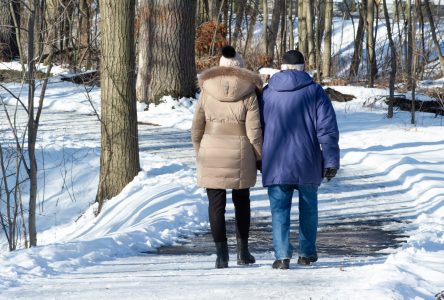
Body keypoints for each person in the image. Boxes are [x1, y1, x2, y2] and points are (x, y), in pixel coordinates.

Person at [259, 50, 340, 269]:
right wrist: (331, 160)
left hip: (276, 161)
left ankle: (282, 255)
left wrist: (259, 158)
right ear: (304, 67)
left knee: (279, 209)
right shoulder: (315, 92)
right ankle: (306, 253)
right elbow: (327, 129)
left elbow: (257, 129)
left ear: (281, 68)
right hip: (307, 160)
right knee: (309, 208)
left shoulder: (267, 93)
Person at [191, 45, 263, 269]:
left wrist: (199, 150)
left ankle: (221, 256)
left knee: (216, 205)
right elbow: (254, 131)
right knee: (242, 202)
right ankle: (243, 252)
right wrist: (259, 157)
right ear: (240, 67)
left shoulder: (206, 90)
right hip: (240, 151)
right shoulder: (249, 92)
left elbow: (197, 127)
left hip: (211, 149)